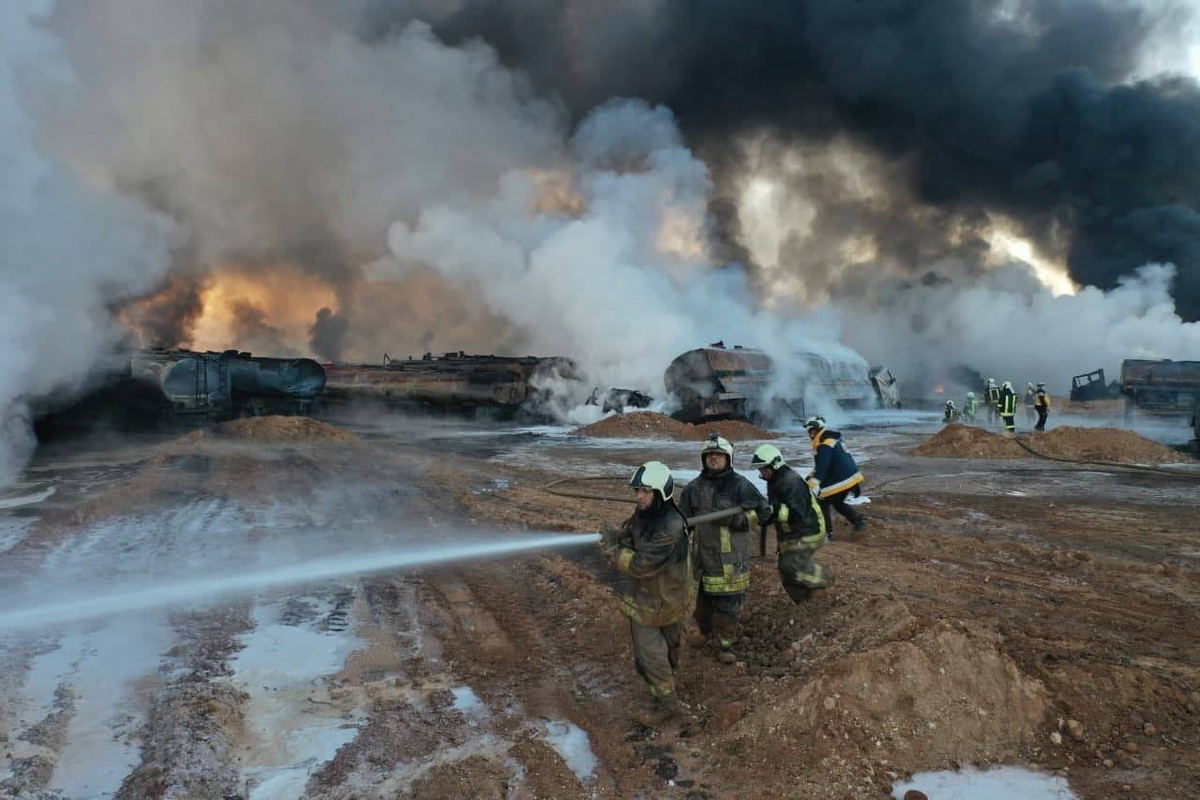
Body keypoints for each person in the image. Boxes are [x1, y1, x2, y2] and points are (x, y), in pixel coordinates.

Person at [600, 460, 692, 726]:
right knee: (654, 656)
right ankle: (664, 697)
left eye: (645, 491)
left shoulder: (670, 527)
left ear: (661, 493)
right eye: (637, 491)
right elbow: (633, 533)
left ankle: (667, 706)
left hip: (661, 600)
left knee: (660, 656)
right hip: (653, 600)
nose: (639, 497)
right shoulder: (647, 513)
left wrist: (611, 550)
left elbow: (641, 565)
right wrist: (618, 534)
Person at [678, 433, 770, 663]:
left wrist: (736, 520)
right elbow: (682, 521)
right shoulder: (694, 488)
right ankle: (705, 633)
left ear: (728, 458)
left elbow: (764, 512)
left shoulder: (740, 485)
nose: (714, 458)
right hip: (703, 560)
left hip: (731, 562)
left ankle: (724, 646)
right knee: (702, 605)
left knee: (728, 607)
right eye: (710, 455)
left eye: (719, 455)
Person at [750, 444, 832, 604]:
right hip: (792, 533)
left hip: (809, 530)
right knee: (786, 571)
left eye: (764, 468)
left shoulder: (791, 482)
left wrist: (773, 511)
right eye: (760, 469)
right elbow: (777, 509)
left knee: (790, 565)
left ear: (775, 464)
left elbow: (798, 514)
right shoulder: (774, 480)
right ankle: (805, 602)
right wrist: (765, 515)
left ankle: (825, 580)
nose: (762, 472)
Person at [803, 416, 866, 539]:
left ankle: (826, 533)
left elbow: (824, 464)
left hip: (840, 477)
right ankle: (858, 521)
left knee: (822, 500)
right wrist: (812, 474)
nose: (810, 434)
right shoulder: (831, 438)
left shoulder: (824, 443)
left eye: (811, 431)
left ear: (816, 429)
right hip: (848, 476)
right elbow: (827, 462)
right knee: (837, 502)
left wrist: (815, 481)